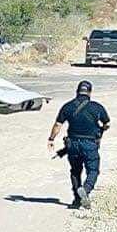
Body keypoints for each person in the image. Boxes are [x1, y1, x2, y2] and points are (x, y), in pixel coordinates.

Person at [47, 81, 111, 209]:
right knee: (93, 170)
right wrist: (101, 129)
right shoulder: (97, 107)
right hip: (89, 144)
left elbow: (58, 125)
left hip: (72, 144)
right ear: (90, 92)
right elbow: (107, 123)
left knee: (75, 171)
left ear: (77, 92)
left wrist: (51, 139)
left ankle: (77, 200)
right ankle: (85, 190)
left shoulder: (67, 106)